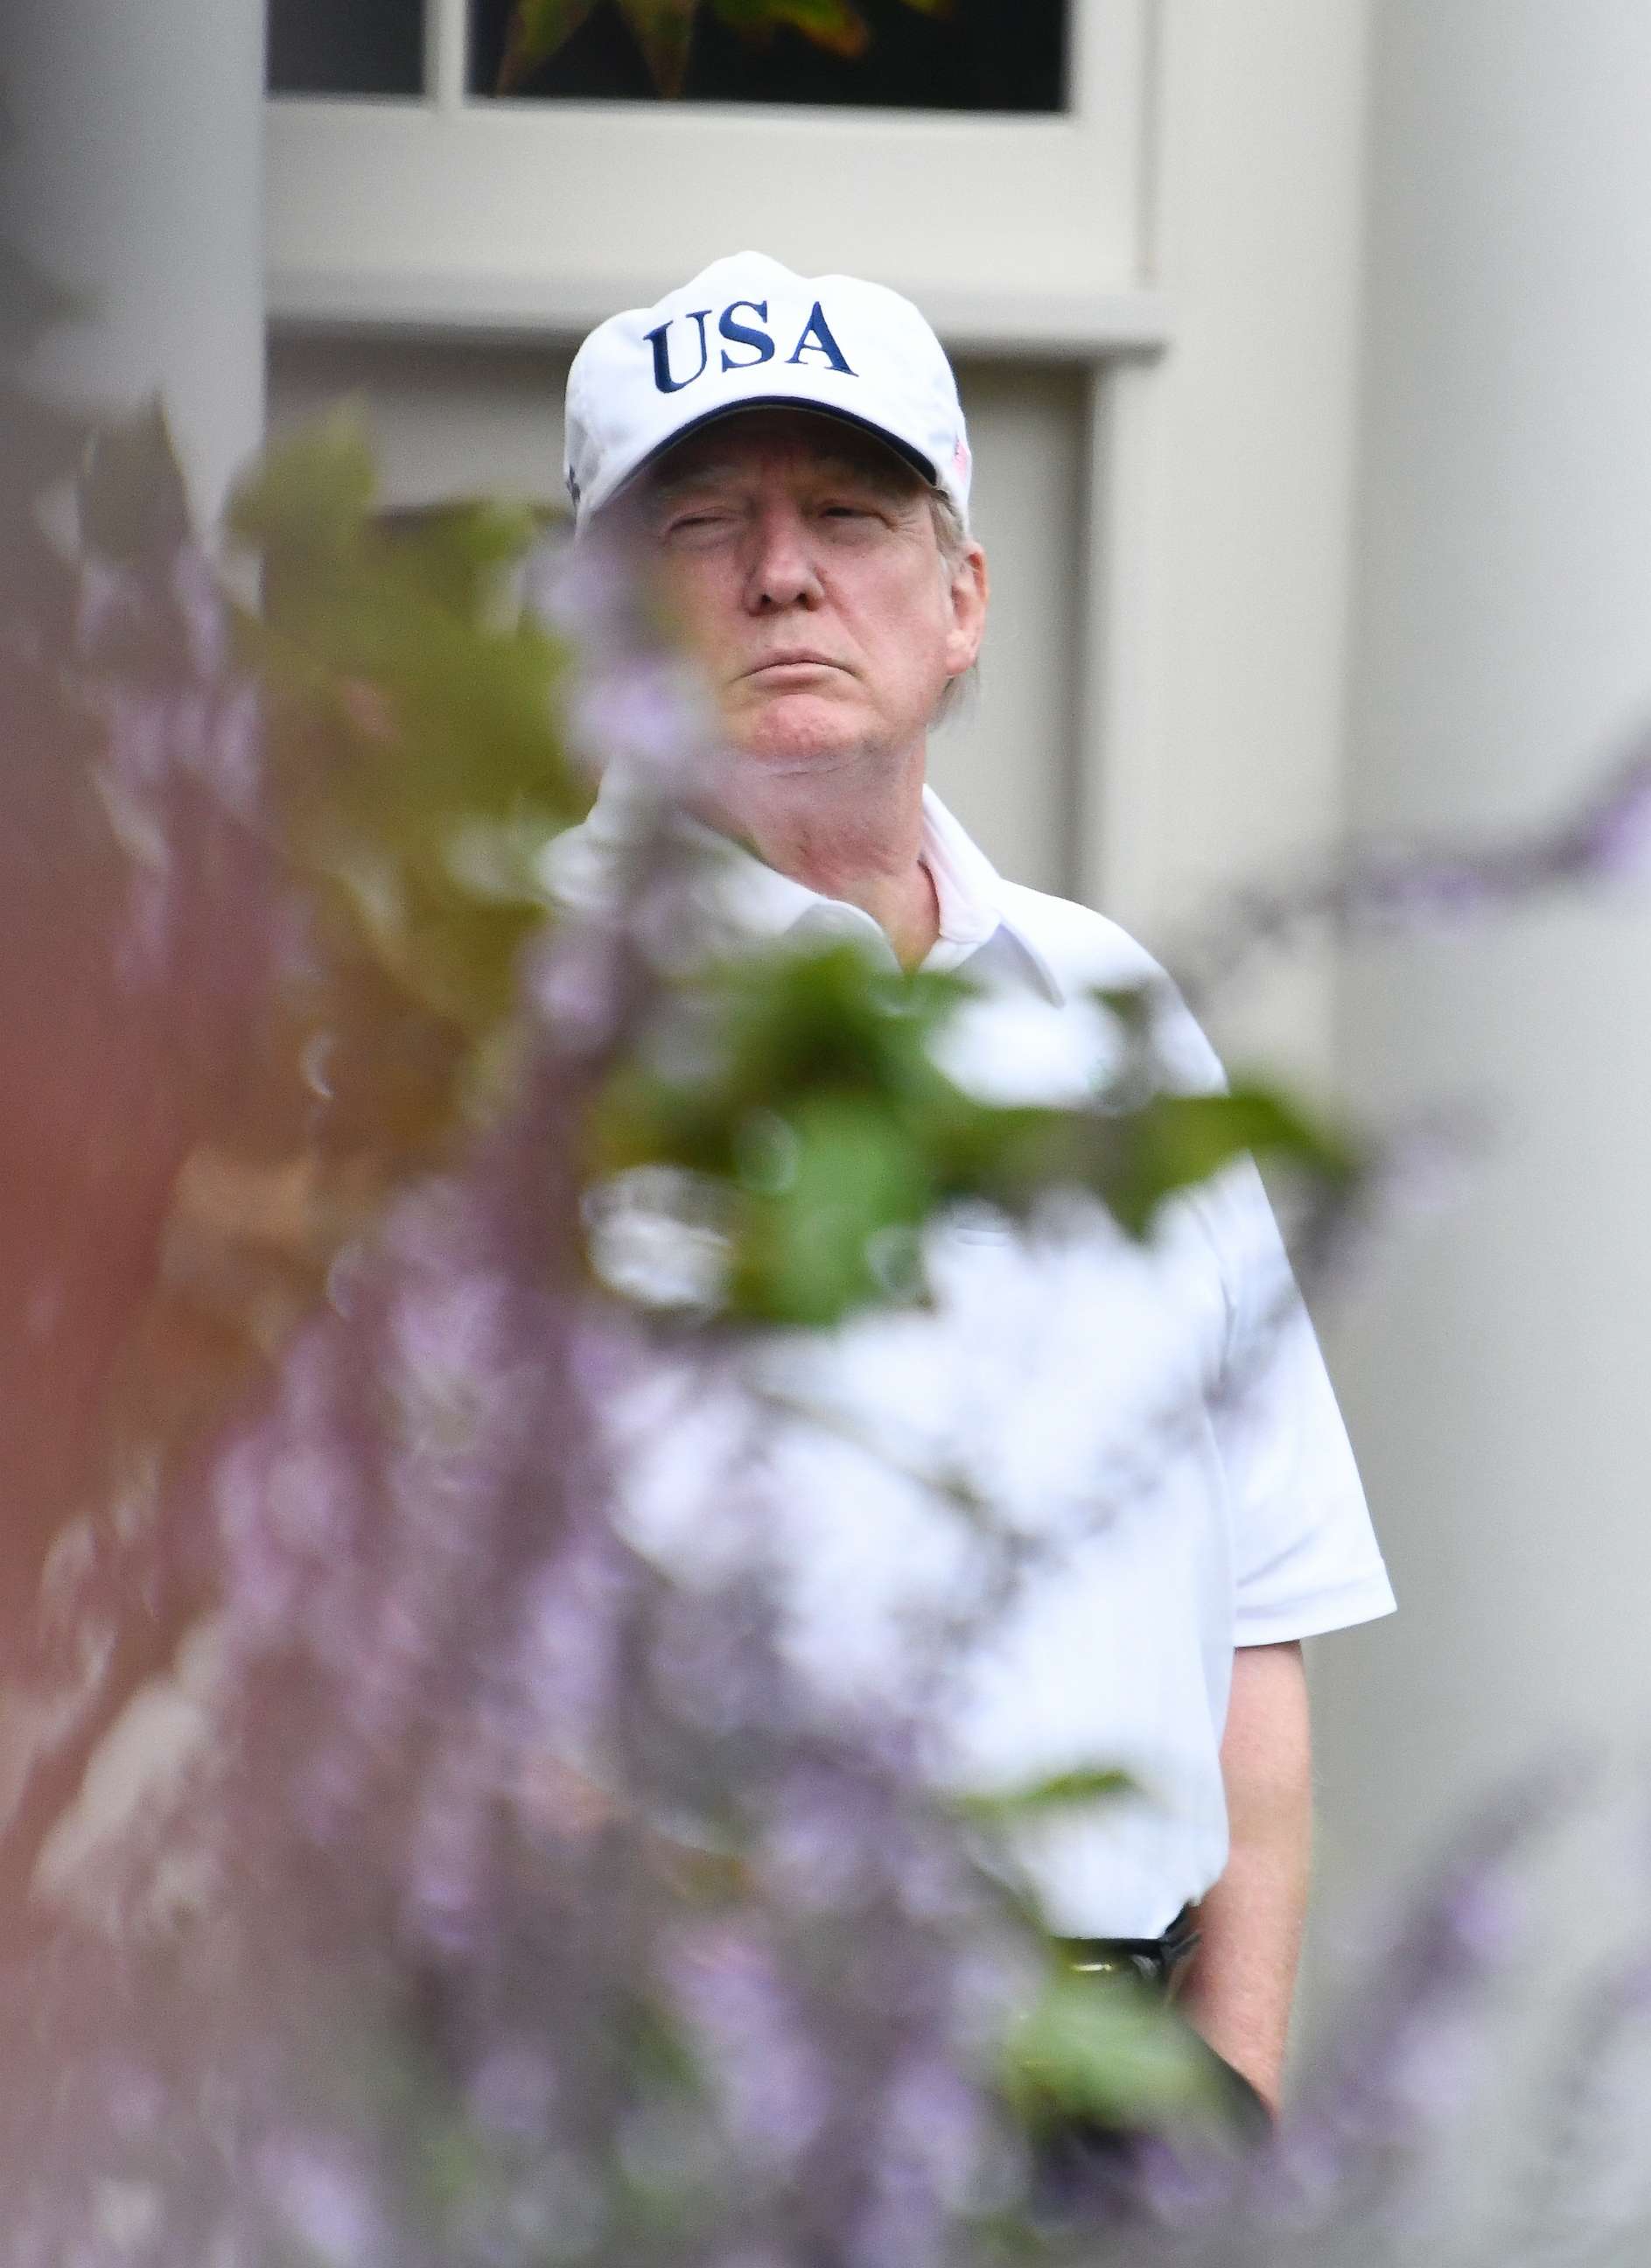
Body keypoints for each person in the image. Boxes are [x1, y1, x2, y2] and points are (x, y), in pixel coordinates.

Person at [553, 252, 1396, 2122]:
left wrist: (1231, 2079)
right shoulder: (494, 1017)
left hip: (1110, 2106)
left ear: (960, 602)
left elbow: (1257, 1610)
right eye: (704, 524)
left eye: (848, 514)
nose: (782, 573)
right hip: (685, 2115)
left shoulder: (1117, 1019)